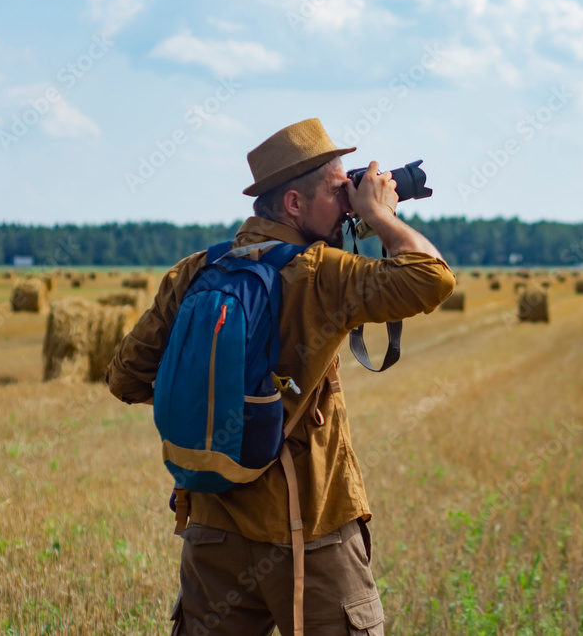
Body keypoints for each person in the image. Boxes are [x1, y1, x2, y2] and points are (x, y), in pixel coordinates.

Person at [105, 117, 455, 635]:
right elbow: (432, 277)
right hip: (308, 533)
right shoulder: (319, 274)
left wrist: (216, 413)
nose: (349, 202)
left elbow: (125, 379)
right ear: (294, 204)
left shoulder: (196, 270)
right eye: (340, 191)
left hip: (212, 530)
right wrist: (379, 212)